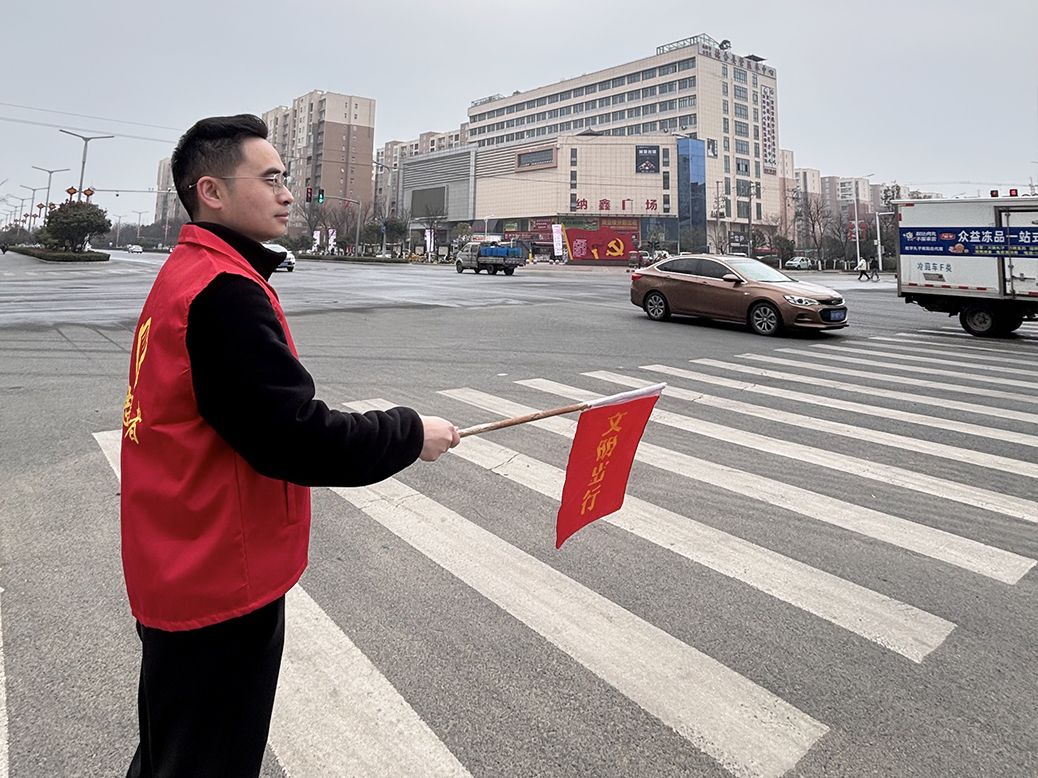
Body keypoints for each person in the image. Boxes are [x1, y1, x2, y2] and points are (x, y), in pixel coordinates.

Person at [120, 114, 460, 778]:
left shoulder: (189, 273)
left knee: (173, 750)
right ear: (212, 192)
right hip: (218, 578)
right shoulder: (223, 293)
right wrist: (409, 432)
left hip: (178, 559)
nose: (287, 195)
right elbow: (293, 436)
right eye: (272, 179)